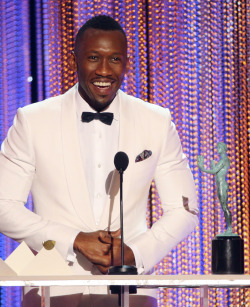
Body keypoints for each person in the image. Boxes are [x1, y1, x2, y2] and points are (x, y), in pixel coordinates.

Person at [0, 15, 198, 307]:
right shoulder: (32, 120)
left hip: (129, 287)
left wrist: (134, 253)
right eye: (93, 57)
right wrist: (74, 240)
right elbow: (3, 205)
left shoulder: (156, 121)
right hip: (51, 284)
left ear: (127, 62)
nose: (104, 70)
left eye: (115, 59)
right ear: (74, 60)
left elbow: (185, 210)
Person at [197, 142, 233, 235]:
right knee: (223, 206)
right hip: (220, 184)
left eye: (218, 147)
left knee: (225, 207)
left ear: (222, 148)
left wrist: (202, 167)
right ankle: (228, 228)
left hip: (222, 185)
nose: (217, 149)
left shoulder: (224, 159)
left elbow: (214, 171)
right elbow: (216, 171)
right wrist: (213, 165)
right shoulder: (222, 160)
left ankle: (229, 228)